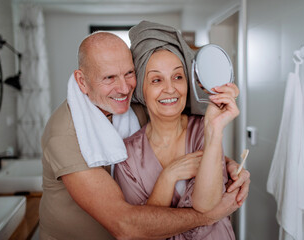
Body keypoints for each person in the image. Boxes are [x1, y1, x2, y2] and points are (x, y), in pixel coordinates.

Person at [39, 31, 250, 240]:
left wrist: (224, 165)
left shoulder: (134, 107)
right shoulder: (64, 135)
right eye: (109, 77)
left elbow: (182, 135)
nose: (123, 88)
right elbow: (125, 225)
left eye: (129, 73)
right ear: (82, 81)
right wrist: (208, 216)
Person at [114, 21, 240, 239]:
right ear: (141, 90)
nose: (170, 88)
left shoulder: (203, 130)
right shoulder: (127, 156)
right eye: (156, 79)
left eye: (177, 76)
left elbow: (205, 204)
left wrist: (215, 129)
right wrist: (169, 176)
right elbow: (142, 231)